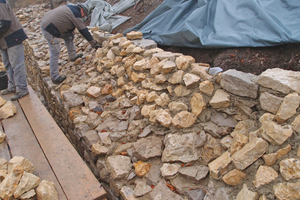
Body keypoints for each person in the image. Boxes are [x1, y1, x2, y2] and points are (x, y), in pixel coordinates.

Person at [40, 2, 101, 84]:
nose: (84, 16)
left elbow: (65, 20)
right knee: (55, 52)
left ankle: (72, 56)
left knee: (69, 36)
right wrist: (94, 44)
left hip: (50, 22)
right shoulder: (76, 14)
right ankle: (55, 77)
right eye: (84, 14)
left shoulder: (72, 8)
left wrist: (70, 29)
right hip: (49, 28)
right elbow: (84, 31)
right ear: (81, 9)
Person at [0, 0, 29, 101]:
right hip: (3, 40)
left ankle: (22, 89)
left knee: (17, 64)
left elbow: (4, 22)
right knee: (7, 64)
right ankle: (12, 86)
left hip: (12, 36)